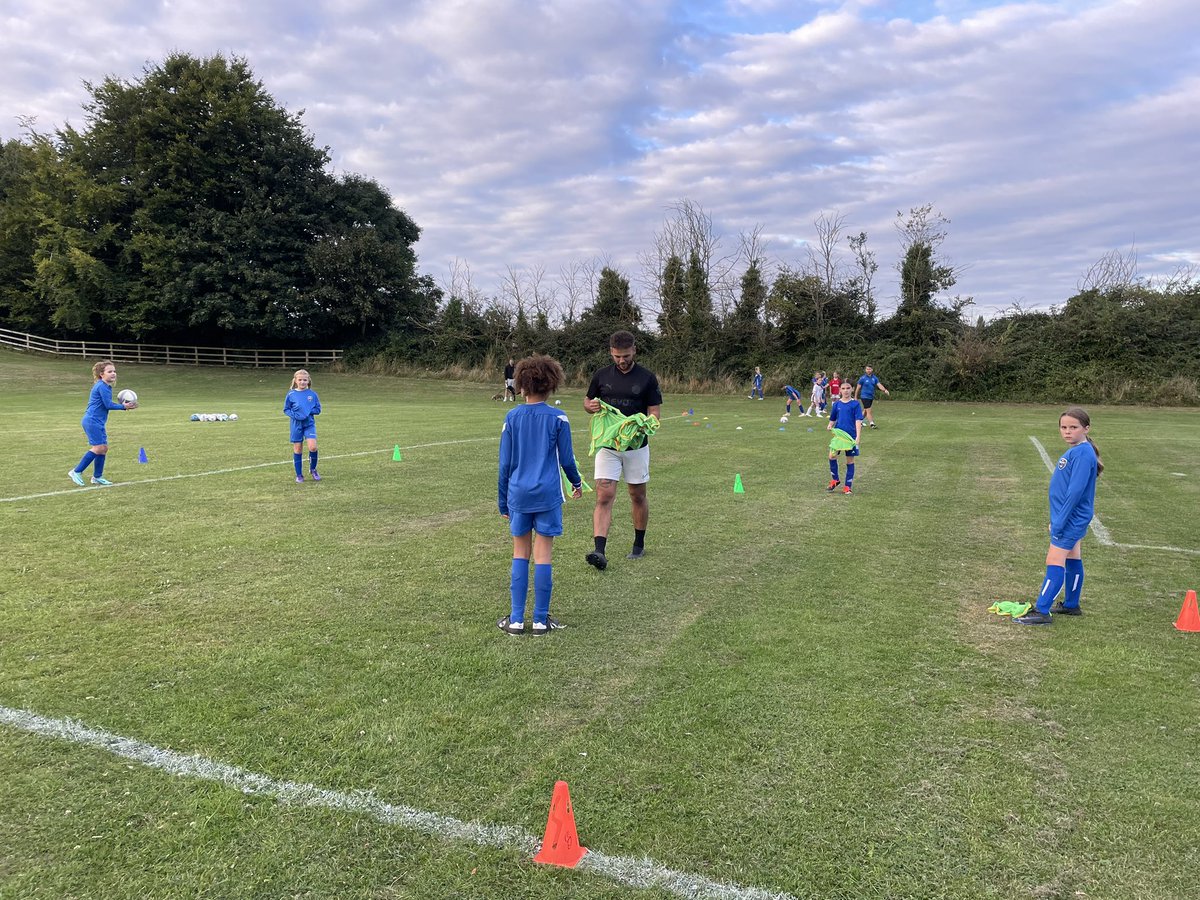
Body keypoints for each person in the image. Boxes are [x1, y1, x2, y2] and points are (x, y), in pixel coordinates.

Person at [497, 355, 582, 634]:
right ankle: (540, 620)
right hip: (547, 495)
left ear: (521, 386)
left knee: (520, 553)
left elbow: (505, 465)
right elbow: (567, 460)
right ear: (551, 386)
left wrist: (502, 500)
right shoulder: (558, 417)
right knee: (543, 555)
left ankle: (516, 619)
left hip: (518, 495)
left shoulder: (512, 417)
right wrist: (576, 482)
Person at [1015, 407, 1103, 626]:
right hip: (1072, 516)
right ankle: (1071, 605)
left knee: (1054, 560)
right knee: (1073, 557)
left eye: (1073, 427)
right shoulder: (1079, 451)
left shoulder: (1083, 454)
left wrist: (1059, 522)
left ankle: (1042, 610)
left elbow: (1074, 492)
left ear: (1086, 428)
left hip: (1071, 518)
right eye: (1063, 427)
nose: (1067, 432)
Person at [583, 330, 662, 569]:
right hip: (608, 446)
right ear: (611, 352)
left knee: (637, 495)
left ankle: (638, 545)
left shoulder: (647, 378)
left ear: (634, 351)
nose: (621, 360)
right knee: (604, 495)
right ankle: (599, 551)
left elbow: (655, 412)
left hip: (636, 447)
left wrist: (647, 425)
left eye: (626, 355)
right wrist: (591, 406)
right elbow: (587, 402)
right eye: (617, 356)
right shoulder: (601, 376)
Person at [68, 359, 137, 487]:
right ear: (102, 374)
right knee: (98, 448)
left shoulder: (106, 387)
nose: (113, 373)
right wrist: (124, 406)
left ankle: (97, 477)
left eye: (114, 371)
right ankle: (76, 471)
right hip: (92, 421)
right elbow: (107, 405)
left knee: (103, 449)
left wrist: (124, 406)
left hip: (97, 422)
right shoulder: (101, 386)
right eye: (110, 371)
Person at [284, 369, 321, 483]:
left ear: (308, 381)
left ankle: (313, 469)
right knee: (298, 449)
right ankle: (299, 475)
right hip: (296, 425)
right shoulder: (291, 394)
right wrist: (295, 415)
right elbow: (286, 409)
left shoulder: (312, 394)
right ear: (295, 381)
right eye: (300, 380)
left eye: (305, 380)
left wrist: (308, 411)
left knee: (313, 447)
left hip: (309, 424)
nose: (302, 382)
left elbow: (318, 409)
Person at [826, 382, 864, 494]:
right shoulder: (837, 404)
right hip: (839, 436)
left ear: (852, 389)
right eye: (843, 388)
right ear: (840, 390)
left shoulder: (855, 404)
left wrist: (857, 437)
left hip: (850, 437)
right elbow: (833, 418)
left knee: (850, 461)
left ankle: (847, 486)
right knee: (832, 456)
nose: (846, 390)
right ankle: (835, 480)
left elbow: (858, 421)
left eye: (848, 388)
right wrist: (830, 425)